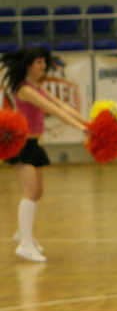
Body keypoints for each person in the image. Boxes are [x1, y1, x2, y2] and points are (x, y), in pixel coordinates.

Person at [2, 46, 88, 263]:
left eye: (43, 62)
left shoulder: (37, 86)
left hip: (34, 144)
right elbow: (53, 110)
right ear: (28, 65)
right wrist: (82, 129)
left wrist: (88, 124)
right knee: (30, 192)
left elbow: (62, 106)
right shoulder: (24, 89)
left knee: (37, 192)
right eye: (38, 62)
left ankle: (24, 233)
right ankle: (24, 244)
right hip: (22, 145)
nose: (43, 66)